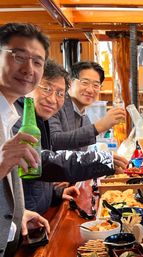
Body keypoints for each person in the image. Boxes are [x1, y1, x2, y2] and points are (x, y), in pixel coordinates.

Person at [13, 59, 128, 215]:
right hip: (18, 219)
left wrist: (56, 193)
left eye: (96, 85)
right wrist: (100, 154)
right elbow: (44, 155)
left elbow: (37, 170)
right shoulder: (18, 116)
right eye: (46, 89)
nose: (53, 99)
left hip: (36, 212)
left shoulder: (45, 115)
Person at [0, 22, 50, 257]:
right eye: (19, 56)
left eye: (38, 61)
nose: (29, 68)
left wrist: (18, 213)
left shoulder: (9, 115)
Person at [49, 61, 126, 151]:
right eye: (85, 83)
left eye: (96, 85)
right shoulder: (56, 105)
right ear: (69, 82)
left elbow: (80, 153)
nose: (90, 90)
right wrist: (100, 126)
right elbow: (54, 141)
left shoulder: (85, 118)